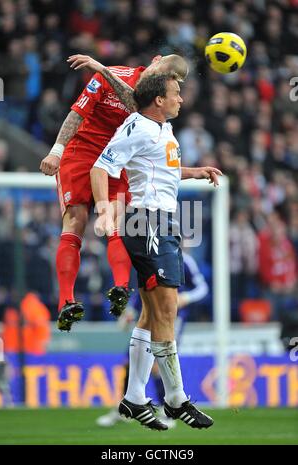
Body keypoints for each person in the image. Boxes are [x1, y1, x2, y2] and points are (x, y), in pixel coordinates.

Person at [90, 71, 222, 430]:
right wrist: (103, 208)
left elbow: (165, 169)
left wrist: (196, 172)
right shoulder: (138, 126)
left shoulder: (163, 129)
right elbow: (101, 166)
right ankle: (177, 398)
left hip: (162, 222)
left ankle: (134, 397)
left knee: (151, 315)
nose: (181, 98)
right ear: (158, 100)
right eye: (175, 93)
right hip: (147, 222)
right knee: (166, 310)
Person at [39, 53, 189, 331]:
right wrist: (56, 151)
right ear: (155, 62)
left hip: (117, 158)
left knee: (117, 222)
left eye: (172, 81)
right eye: (167, 75)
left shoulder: (151, 96)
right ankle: (66, 301)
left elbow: (136, 102)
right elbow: (77, 113)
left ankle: (120, 288)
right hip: (82, 151)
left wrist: (101, 69)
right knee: (76, 219)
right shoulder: (113, 74)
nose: (168, 84)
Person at [96, 251, 209, 428]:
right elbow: (144, 289)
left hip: (171, 318)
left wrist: (186, 298)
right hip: (146, 316)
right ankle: (125, 408)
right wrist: (131, 311)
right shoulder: (146, 257)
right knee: (129, 363)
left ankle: (167, 411)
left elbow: (202, 288)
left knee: (157, 365)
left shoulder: (183, 259)